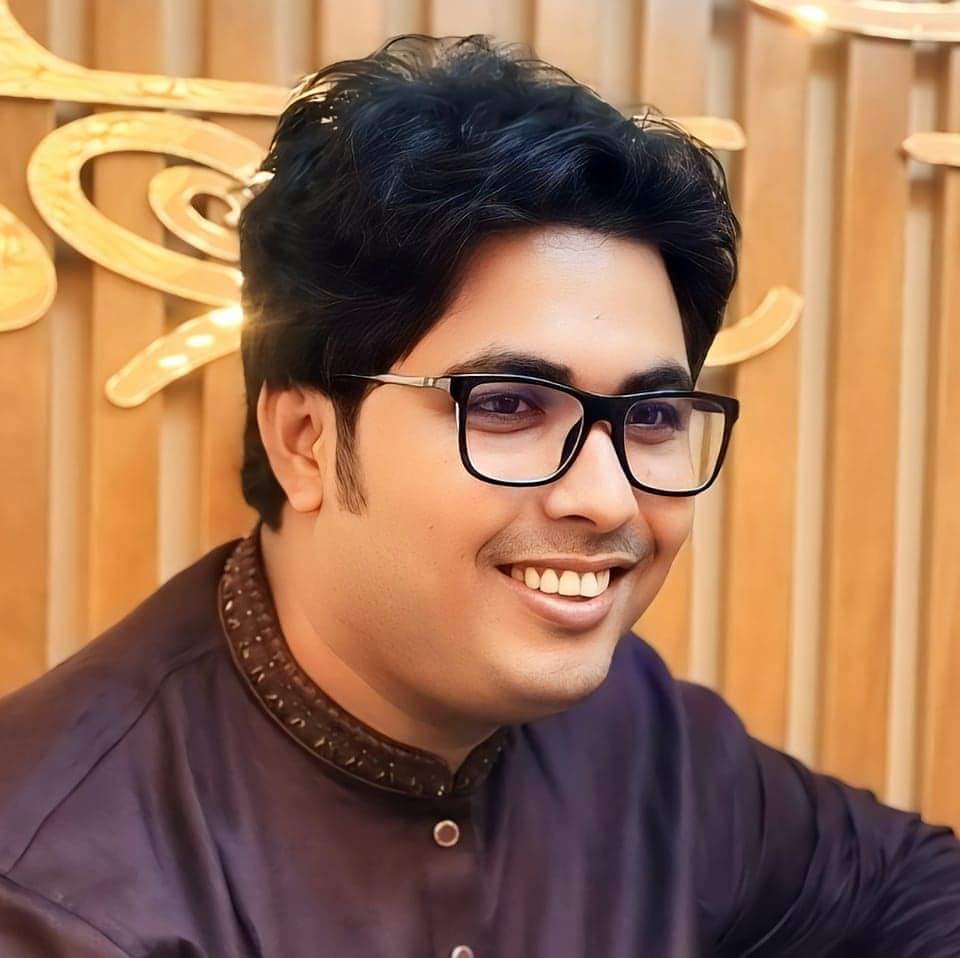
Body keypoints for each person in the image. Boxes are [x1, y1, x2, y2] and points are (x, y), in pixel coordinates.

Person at [1, 32, 957, 958]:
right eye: (506, 406)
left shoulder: (638, 731)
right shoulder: (56, 885)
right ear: (304, 440)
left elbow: (913, 887)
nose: (609, 500)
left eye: (654, 415)